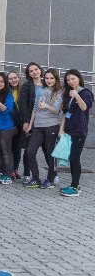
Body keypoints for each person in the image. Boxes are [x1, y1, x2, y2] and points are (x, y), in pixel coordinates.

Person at [23, 68, 62, 189]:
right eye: (47, 78)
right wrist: (30, 125)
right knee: (30, 151)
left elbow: (56, 111)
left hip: (51, 126)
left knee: (50, 154)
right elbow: (35, 108)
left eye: (52, 78)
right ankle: (35, 178)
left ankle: (50, 179)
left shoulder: (59, 92)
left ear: (56, 79)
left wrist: (46, 106)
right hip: (38, 126)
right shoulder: (40, 90)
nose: (49, 80)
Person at [59, 69, 93, 197]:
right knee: (71, 158)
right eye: (68, 80)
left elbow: (84, 107)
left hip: (79, 131)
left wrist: (77, 96)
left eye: (73, 79)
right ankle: (73, 185)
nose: (70, 81)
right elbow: (65, 113)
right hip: (68, 130)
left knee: (74, 157)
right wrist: (61, 129)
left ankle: (75, 187)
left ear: (79, 78)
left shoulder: (86, 93)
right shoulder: (68, 93)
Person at [18, 62, 45, 183]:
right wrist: (26, 121)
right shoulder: (27, 85)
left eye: (36, 69)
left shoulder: (47, 83)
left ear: (40, 70)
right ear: (28, 74)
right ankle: (27, 174)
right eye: (31, 71)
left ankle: (53, 175)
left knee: (47, 149)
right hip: (30, 122)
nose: (34, 72)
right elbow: (23, 104)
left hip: (45, 122)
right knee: (29, 149)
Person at [7, 70, 24, 179]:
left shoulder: (23, 90)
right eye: (10, 78)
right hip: (10, 123)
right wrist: (13, 124)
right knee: (9, 148)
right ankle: (10, 169)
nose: (13, 80)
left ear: (19, 78)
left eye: (15, 77)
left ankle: (15, 169)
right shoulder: (7, 91)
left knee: (17, 148)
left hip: (21, 123)